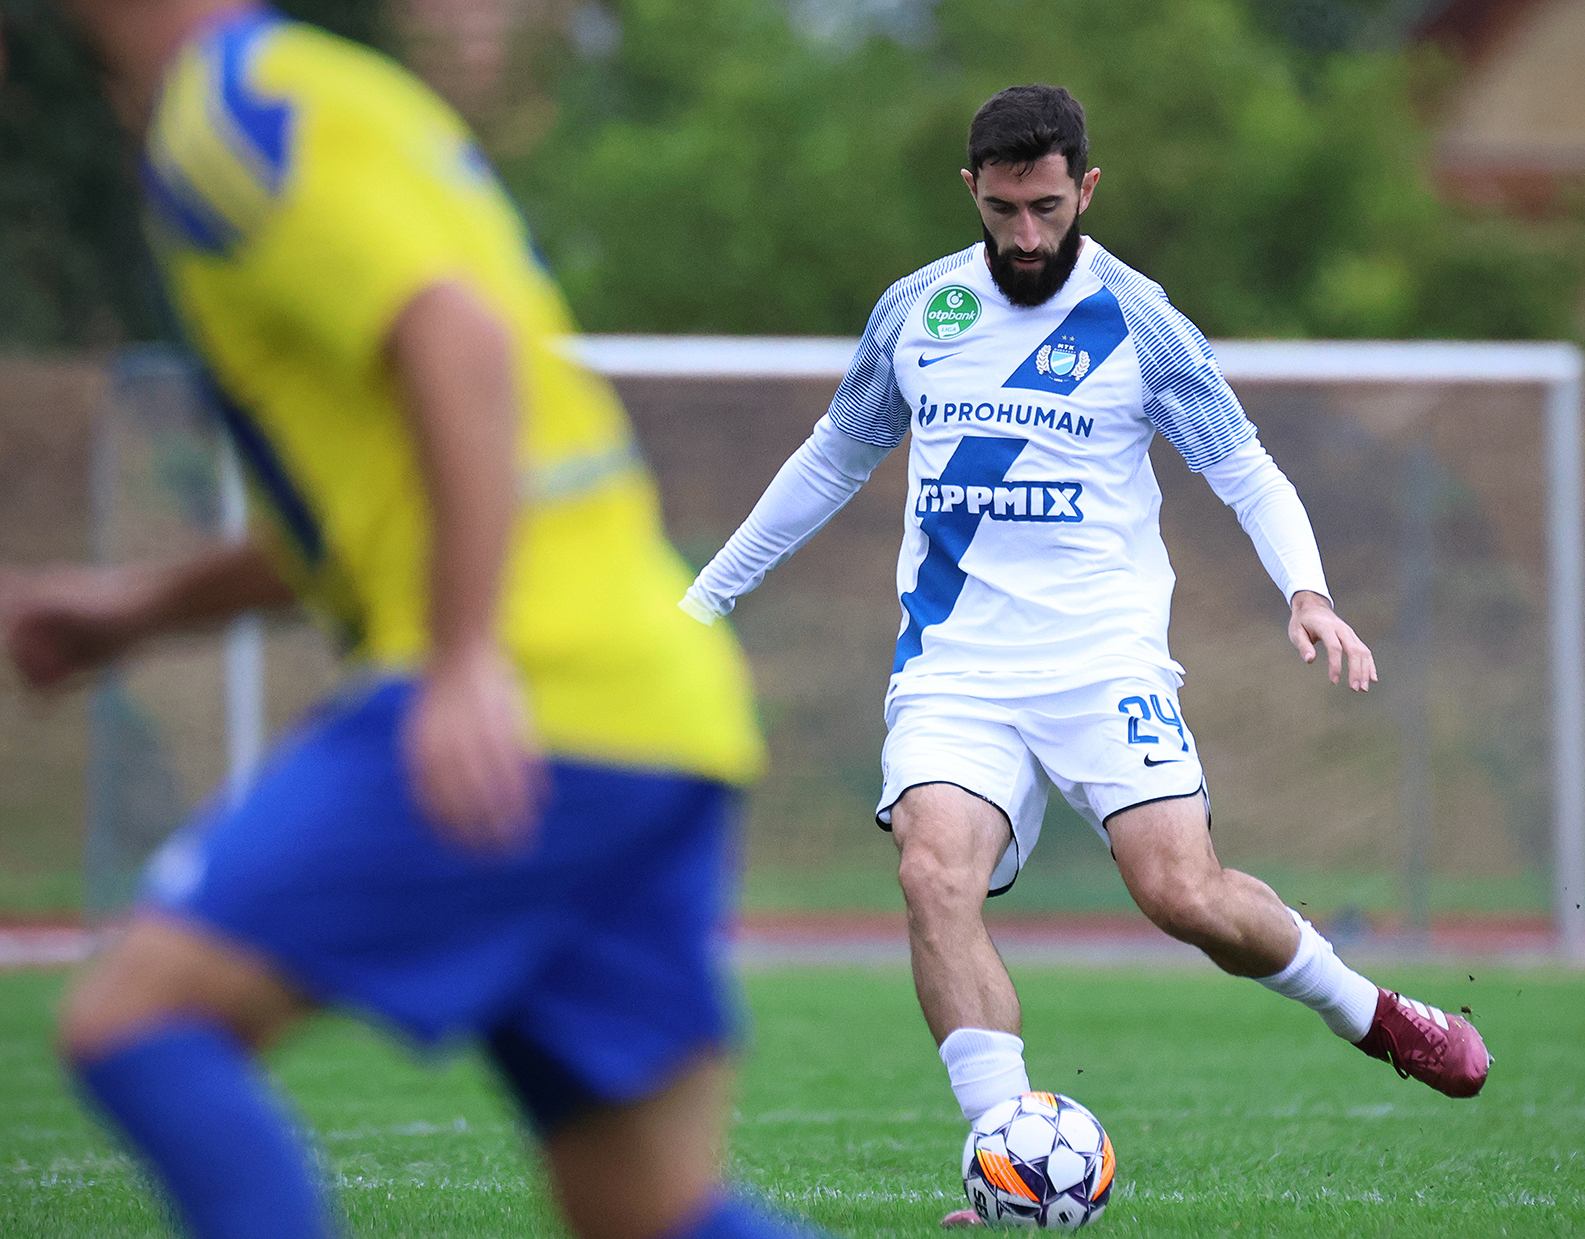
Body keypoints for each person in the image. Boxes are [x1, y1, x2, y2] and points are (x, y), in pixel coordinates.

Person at [1, 5, 807, 1238]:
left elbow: (458, 341)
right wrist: (136, 610)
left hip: (535, 693)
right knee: (644, 1209)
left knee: (138, 1021)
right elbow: (378, 493)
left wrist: (462, 656)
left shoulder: (225, 113)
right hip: (653, 704)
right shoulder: (340, 94)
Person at [682, 84, 1491, 1223]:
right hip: (954, 665)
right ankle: (1006, 1156)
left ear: (1086, 190)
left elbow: (1242, 465)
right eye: (1005, 209)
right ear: (972, 189)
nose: (1025, 236)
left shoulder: (1140, 320)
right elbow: (830, 460)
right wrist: (704, 601)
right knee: (932, 874)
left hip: (1101, 661)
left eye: (1048, 209)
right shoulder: (917, 312)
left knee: (1183, 895)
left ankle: (1372, 1012)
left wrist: (1306, 589)